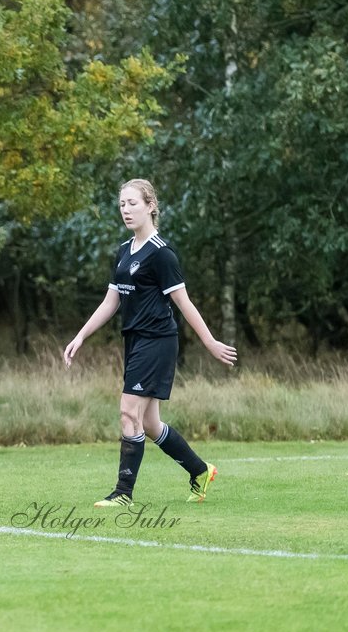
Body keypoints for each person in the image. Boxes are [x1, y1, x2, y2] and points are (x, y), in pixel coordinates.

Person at [63, 178, 237, 507]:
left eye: (133, 203)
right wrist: (81, 335)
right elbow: (110, 301)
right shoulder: (123, 252)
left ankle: (123, 493)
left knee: (128, 413)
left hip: (157, 341)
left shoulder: (162, 255)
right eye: (122, 205)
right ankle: (201, 471)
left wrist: (210, 342)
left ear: (150, 206)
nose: (126, 210)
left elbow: (184, 304)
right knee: (150, 424)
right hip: (135, 341)